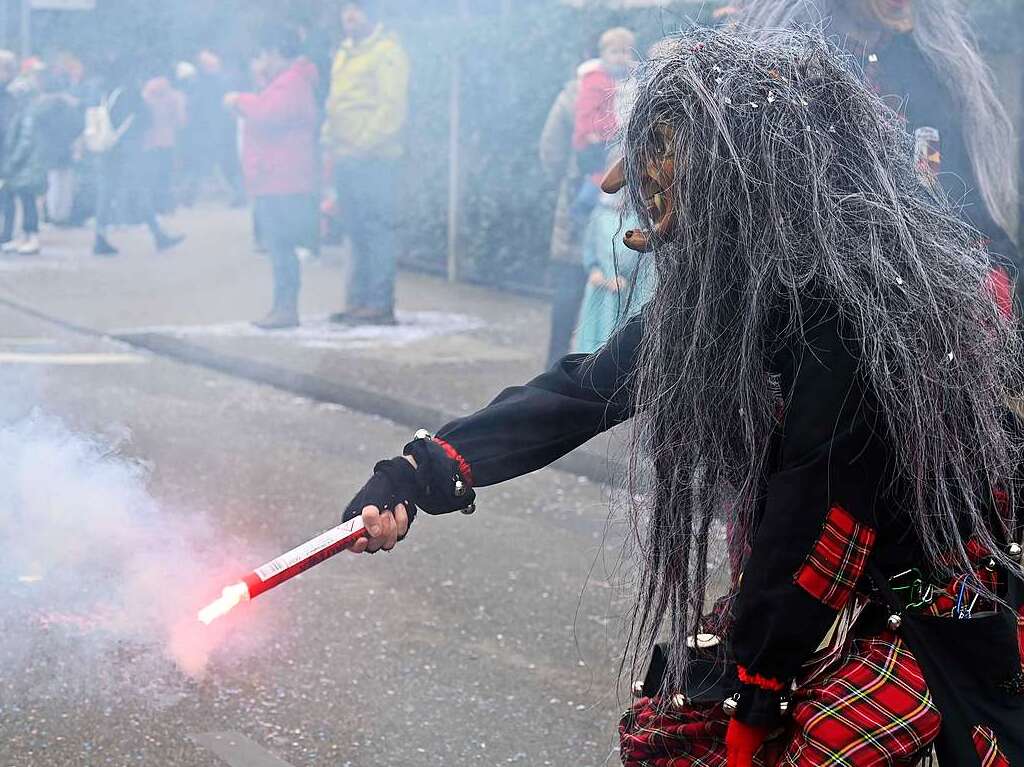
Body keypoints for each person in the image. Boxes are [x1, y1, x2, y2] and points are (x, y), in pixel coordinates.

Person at [338, 27, 1024, 766]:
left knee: (821, 748)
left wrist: (757, 689)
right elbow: (581, 390)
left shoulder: (852, 303)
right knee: (666, 734)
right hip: (802, 591)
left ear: (749, 179)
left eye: (675, 179)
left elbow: (818, 510)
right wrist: (419, 472)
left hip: (929, 598)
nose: (659, 216)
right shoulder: (724, 287)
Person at [739, 0, 1021, 303]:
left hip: (937, 291)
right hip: (832, 303)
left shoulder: (928, 66)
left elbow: (961, 195)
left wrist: (997, 266)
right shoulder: (794, 73)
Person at [224, 26, 319, 330]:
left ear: (277, 54)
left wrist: (238, 100)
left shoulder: (292, 82)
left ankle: (286, 309)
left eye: (265, 55)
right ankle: (281, 307)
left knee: (281, 247)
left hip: (282, 176)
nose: (262, 61)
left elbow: (268, 114)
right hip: (275, 175)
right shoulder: (286, 82)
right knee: (277, 246)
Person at [323, 0, 410, 326]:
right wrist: (328, 138)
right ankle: (357, 301)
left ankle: (379, 303)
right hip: (346, 156)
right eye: (345, 8)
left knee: (376, 231)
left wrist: (362, 145)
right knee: (355, 230)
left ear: (372, 13)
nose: (349, 15)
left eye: (357, 8)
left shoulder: (387, 51)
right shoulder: (344, 52)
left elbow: (391, 108)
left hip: (375, 159)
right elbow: (336, 101)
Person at [91, 59, 184, 257]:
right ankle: (158, 235)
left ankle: (99, 237)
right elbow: (145, 119)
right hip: (126, 152)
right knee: (141, 192)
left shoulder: (106, 94)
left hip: (107, 150)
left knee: (106, 194)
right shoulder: (130, 94)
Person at [540, 60, 585, 367]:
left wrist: (566, 177)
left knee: (569, 284)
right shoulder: (638, 89)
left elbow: (550, 147)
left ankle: (555, 364)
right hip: (623, 203)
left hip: (576, 195)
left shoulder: (573, 93)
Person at [569, 28, 636, 235]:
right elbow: (586, 112)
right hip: (598, 139)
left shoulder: (630, 78)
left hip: (620, 138)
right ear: (603, 54)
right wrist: (595, 132)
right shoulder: (595, 79)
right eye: (614, 52)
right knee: (600, 176)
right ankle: (583, 206)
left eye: (625, 52)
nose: (620, 58)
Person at [573, 190, 647, 354]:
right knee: (594, 336)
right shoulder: (600, 214)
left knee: (618, 341)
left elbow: (643, 258)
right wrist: (594, 269)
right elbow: (590, 247)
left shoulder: (641, 220)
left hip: (627, 292)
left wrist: (627, 278)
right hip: (600, 289)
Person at [2, 73, 46, 255]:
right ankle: (25, 237)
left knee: (27, 201)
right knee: (24, 200)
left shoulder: (28, 114)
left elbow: (25, 142)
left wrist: (12, 161)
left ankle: (32, 236)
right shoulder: (25, 112)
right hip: (24, 166)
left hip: (26, 166)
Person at [142, 71, 186, 215]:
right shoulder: (173, 97)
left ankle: (154, 206)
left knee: (152, 175)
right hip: (167, 141)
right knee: (165, 176)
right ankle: (166, 206)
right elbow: (180, 121)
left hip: (149, 142)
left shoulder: (146, 97)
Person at [0, 50, 20, 249]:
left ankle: (6, 234)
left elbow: (8, 127)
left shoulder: (10, 97)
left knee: (5, 193)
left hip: (5, 153)